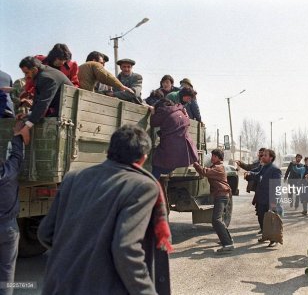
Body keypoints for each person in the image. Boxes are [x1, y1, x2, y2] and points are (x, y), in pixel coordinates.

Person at [37, 124, 172, 295]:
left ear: (110, 150)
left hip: (57, 286)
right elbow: (126, 248)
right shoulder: (142, 186)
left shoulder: (73, 178)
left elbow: (45, 233)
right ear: (143, 158)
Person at [0, 123, 29, 295]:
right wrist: (17, 134)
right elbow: (17, 155)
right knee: (7, 271)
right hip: (9, 229)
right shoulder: (10, 171)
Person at [16, 57, 73, 133]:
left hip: (68, 112)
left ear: (35, 70)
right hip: (61, 109)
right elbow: (38, 99)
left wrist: (27, 126)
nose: (26, 76)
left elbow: (43, 103)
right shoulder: (41, 74)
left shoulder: (46, 77)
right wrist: (29, 115)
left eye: (27, 73)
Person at [193, 149, 234, 253]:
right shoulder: (216, 167)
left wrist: (195, 163)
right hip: (221, 195)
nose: (212, 158)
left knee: (216, 220)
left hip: (221, 195)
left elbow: (204, 171)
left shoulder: (218, 168)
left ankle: (228, 244)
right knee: (218, 219)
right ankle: (228, 240)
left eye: (214, 156)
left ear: (219, 158)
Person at [150, 98, 198, 179]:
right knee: (165, 167)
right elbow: (188, 122)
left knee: (156, 166)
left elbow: (153, 122)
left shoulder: (164, 111)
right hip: (183, 151)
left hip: (170, 149)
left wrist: (152, 112)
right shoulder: (180, 111)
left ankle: (150, 187)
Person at [245, 149, 282, 247]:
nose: (262, 157)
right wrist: (250, 174)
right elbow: (258, 176)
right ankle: (265, 235)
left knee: (271, 219)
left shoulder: (275, 169)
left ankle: (274, 240)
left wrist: (274, 203)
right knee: (261, 218)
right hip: (261, 199)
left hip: (270, 199)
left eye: (265, 155)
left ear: (271, 158)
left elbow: (277, 187)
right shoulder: (264, 168)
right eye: (262, 155)